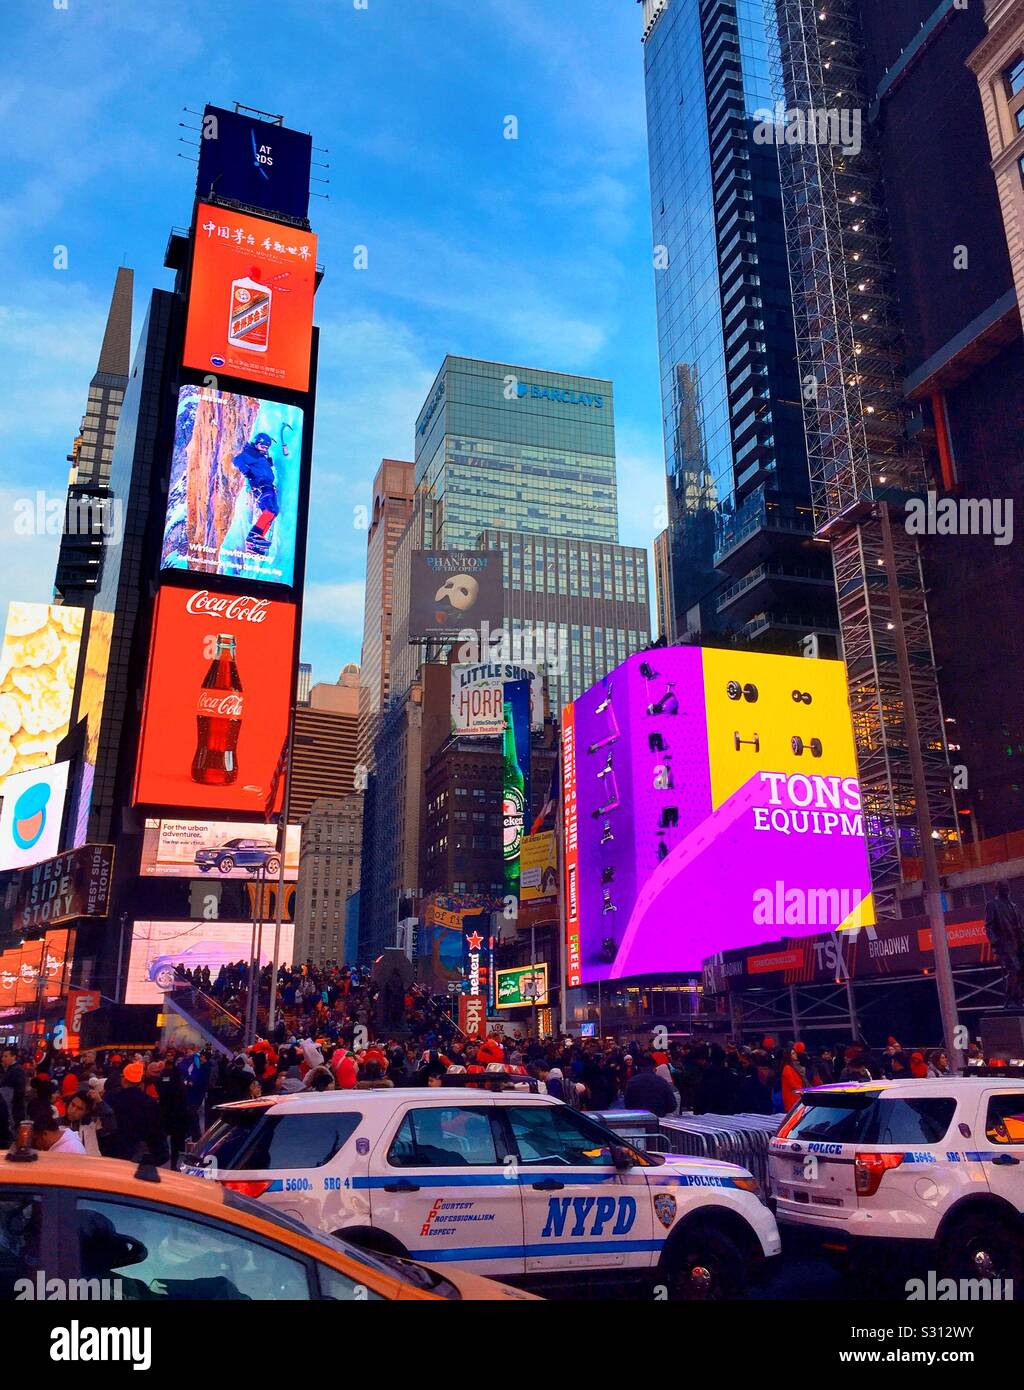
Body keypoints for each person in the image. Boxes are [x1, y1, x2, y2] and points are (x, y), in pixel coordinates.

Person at [105, 1061, 169, 1165]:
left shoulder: (111, 1099)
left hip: (116, 1155)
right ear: (140, 1082)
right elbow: (157, 1130)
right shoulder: (150, 1103)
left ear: (124, 1080)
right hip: (143, 1158)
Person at [985, 880, 1024, 1007]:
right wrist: (994, 941)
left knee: (1021, 970)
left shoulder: (1013, 906)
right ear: (998, 889)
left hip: (1018, 943)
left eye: (1007, 887)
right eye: (1004, 888)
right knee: (1014, 969)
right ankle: (1010, 999)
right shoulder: (993, 905)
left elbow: (1020, 925)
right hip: (1005, 944)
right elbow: (989, 926)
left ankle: (1018, 998)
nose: (1007, 890)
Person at [0, 1047, 27, 1126]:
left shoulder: (17, 1070)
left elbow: (19, 1091)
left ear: (13, 1057)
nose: (3, 1059)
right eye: (2, 1056)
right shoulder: (11, 1069)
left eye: (6, 1056)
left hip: (14, 1107)